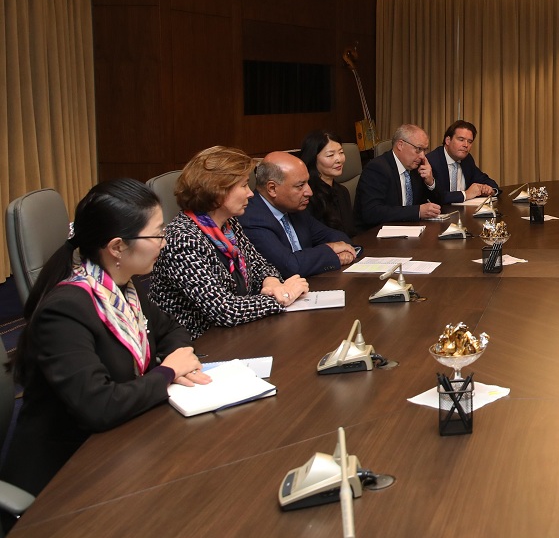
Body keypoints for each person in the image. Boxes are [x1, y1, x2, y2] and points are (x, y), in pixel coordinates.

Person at [0, 179, 209, 502]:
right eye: (157, 235)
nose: (164, 243)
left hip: (122, 442)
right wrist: (168, 372)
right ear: (117, 247)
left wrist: (179, 356)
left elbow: (170, 329)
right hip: (65, 475)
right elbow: (98, 406)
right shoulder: (66, 310)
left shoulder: (124, 288)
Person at [149, 146, 309, 337]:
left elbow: (261, 266)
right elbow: (225, 310)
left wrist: (273, 283)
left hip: (235, 334)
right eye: (243, 185)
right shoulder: (182, 239)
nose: (250, 193)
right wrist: (284, 296)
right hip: (197, 342)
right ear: (217, 190)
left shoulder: (228, 224)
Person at [239, 151, 356, 277]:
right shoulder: (252, 218)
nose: (309, 192)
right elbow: (289, 266)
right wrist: (331, 250)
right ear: (272, 188)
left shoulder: (295, 209)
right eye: (300, 186)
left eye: (307, 183)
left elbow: (337, 236)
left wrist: (342, 250)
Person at [355, 124, 442, 228]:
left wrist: (430, 182)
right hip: (376, 232)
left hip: (408, 228)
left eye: (425, 150)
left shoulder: (416, 168)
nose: (422, 156)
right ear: (400, 145)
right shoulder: (377, 168)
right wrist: (417, 211)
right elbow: (372, 212)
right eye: (418, 149)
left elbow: (438, 203)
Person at [300, 131, 358, 237]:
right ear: (313, 158)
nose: (339, 159)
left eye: (341, 152)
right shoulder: (308, 196)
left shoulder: (342, 191)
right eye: (330, 155)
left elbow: (351, 231)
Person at [427, 120, 499, 204]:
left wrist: (490, 190)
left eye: (470, 141)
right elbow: (438, 197)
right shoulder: (432, 161)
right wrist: (466, 194)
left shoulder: (467, 159)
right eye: (461, 140)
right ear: (448, 140)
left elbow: (483, 179)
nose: (466, 145)